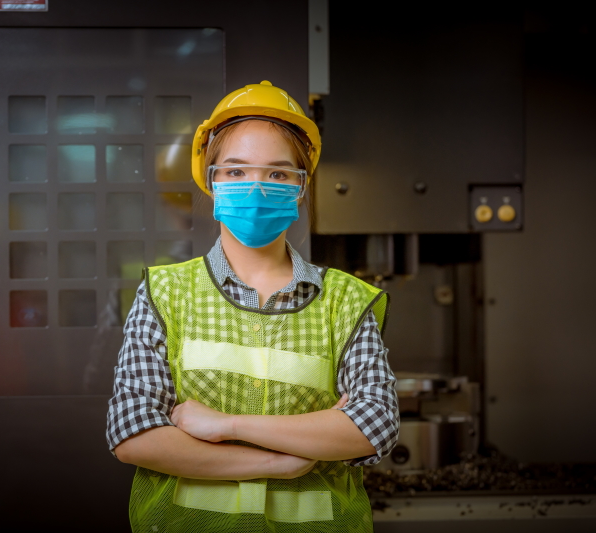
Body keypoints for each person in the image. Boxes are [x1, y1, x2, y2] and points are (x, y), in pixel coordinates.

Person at [106, 81, 399, 532]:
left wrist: (225, 425)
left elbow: (373, 426)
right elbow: (134, 434)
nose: (258, 189)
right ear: (211, 180)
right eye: (237, 172)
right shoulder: (165, 293)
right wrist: (284, 462)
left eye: (279, 174)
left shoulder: (345, 301)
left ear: (301, 189)